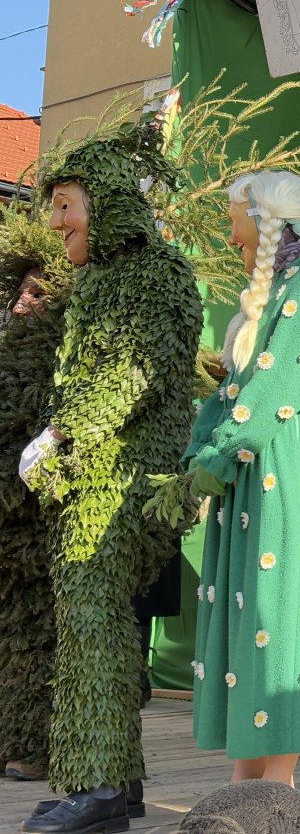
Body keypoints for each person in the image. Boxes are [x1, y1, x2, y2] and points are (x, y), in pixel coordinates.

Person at [19, 123, 204, 834]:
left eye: (66, 203)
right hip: (96, 476)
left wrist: (59, 433)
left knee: (94, 620)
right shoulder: (102, 280)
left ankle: (95, 788)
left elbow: (134, 371)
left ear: (107, 204)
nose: (56, 220)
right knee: (98, 628)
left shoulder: (155, 275)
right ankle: (112, 785)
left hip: (125, 481)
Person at [186, 170, 300, 786]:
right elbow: (237, 389)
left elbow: (279, 387)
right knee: (252, 606)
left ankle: (276, 784)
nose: (232, 237)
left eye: (236, 219)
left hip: (282, 460)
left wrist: (219, 453)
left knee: (279, 610)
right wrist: (206, 446)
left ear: (264, 222)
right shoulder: (284, 286)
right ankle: (248, 777)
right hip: (257, 459)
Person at [0, 232, 67, 785]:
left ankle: (33, 745)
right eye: (23, 292)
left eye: (37, 294)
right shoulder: (6, 349)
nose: (25, 301)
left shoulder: (59, 360)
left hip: (37, 519)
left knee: (38, 635)